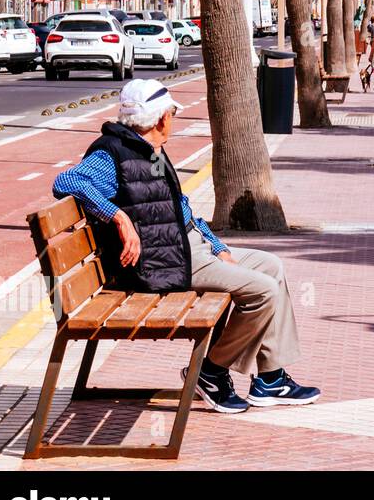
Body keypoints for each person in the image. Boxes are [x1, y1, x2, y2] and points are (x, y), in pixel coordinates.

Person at [52, 79, 319, 413]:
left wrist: (217, 244)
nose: (172, 120)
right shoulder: (112, 153)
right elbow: (66, 181)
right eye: (172, 114)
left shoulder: (152, 151)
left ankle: (270, 378)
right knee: (262, 290)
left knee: (271, 266)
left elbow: (184, 210)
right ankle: (212, 372)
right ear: (161, 117)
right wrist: (118, 216)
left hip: (187, 248)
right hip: (164, 262)